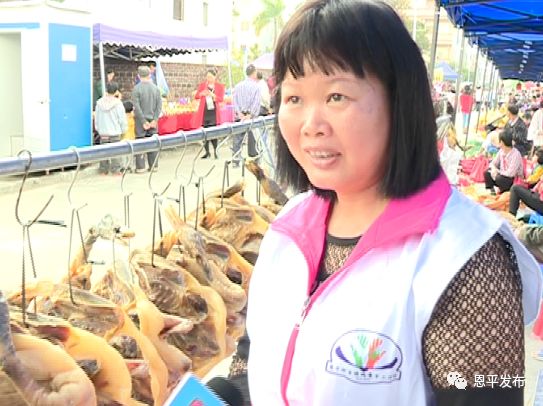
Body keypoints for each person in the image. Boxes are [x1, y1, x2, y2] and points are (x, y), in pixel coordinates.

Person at [244, 1, 541, 405]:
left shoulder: (465, 258)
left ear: (399, 102)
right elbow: (253, 357)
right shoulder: (289, 225)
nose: (311, 125)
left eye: (336, 96)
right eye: (293, 98)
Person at [133, 65, 162, 173]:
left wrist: (143, 121)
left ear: (138, 75)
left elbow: (136, 107)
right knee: (153, 143)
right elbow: (159, 106)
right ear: (149, 75)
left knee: (140, 143)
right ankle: (154, 166)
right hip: (153, 120)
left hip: (141, 122)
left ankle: (140, 167)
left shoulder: (136, 89)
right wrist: (155, 120)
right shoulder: (156, 88)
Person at [94, 81, 127, 175]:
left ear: (106, 90)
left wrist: (98, 128)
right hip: (115, 132)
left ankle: (103, 170)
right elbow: (122, 119)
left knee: (103, 152)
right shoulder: (118, 104)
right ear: (116, 91)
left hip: (103, 132)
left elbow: (97, 118)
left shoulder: (99, 103)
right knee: (116, 152)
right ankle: (115, 170)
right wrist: (123, 130)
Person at [232, 64, 261, 167]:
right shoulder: (256, 87)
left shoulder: (238, 86)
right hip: (251, 116)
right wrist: (250, 114)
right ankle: (254, 161)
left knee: (237, 139)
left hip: (240, 115)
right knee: (253, 139)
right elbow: (256, 102)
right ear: (254, 73)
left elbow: (234, 101)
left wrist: (239, 113)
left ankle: (235, 160)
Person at [193, 68, 225, 159]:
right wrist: (201, 94)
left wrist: (213, 95)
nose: (208, 79)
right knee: (204, 132)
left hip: (213, 112)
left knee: (214, 132)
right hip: (204, 111)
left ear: (215, 77)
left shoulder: (219, 86)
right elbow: (196, 96)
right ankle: (207, 152)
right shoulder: (202, 85)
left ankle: (215, 151)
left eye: (210, 77)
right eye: (207, 77)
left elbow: (221, 99)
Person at [484, 128, 524, 194]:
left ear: (502, 142)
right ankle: (492, 191)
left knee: (499, 178)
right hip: (502, 174)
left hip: (513, 179)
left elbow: (511, 174)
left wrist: (497, 172)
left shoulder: (516, 154)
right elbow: (493, 163)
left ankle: (505, 191)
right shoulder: (501, 151)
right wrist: (494, 169)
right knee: (487, 172)